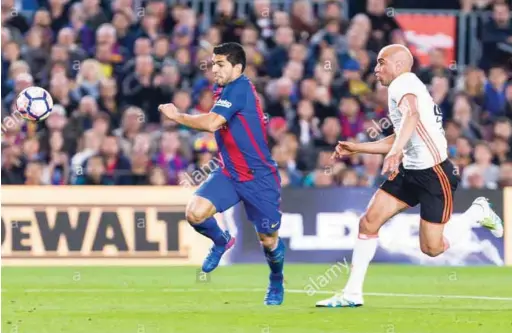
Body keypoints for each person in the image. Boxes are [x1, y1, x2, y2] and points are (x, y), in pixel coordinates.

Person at [316, 44, 504, 308]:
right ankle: (352, 293)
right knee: (368, 222)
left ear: (399, 65)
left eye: (382, 62)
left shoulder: (402, 84)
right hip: (410, 171)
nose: (376, 68)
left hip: (434, 174)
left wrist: (394, 153)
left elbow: (412, 115)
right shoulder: (407, 86)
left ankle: (478, 212)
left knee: (432, 249)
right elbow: (403, 131)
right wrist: (358, 147)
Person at [158, 43, 285, 305]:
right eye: (213, 63)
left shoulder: (239, 89)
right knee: (195, 212)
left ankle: (276, 280)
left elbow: (212, 123)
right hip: (229, 174)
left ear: (237, 67)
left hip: (259, 177)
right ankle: (221, 240)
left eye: (221, 64)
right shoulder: (225, 90)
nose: (213, 68)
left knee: (268, 240)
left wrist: (176, 115)